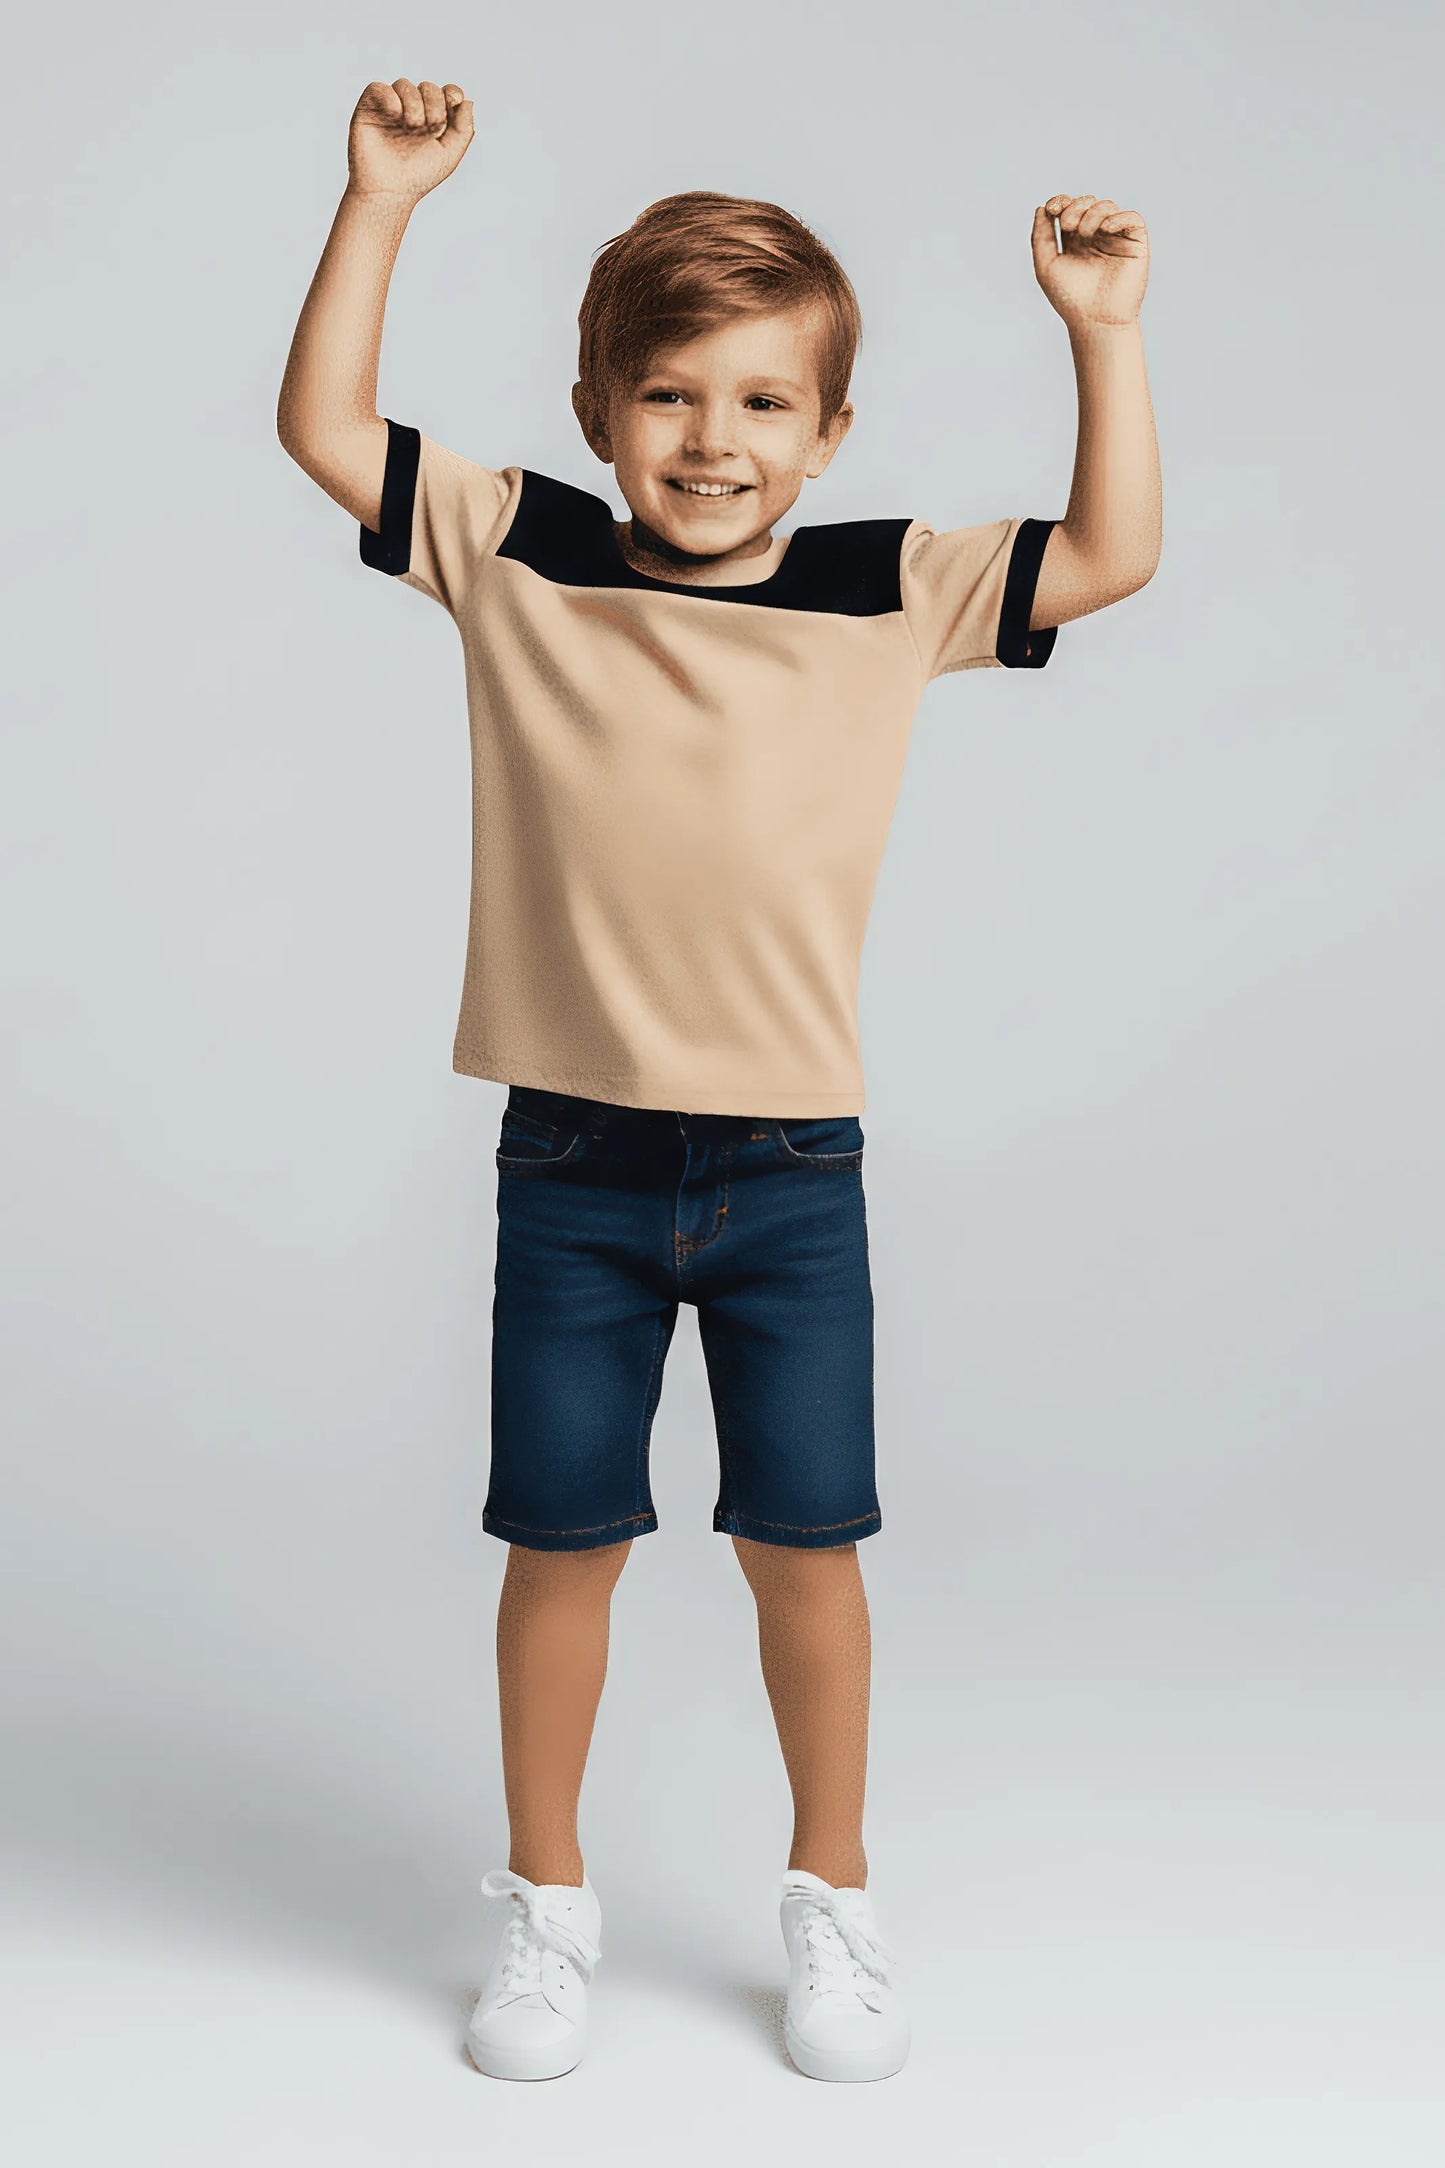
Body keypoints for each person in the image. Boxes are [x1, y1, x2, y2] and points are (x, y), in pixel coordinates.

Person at [276, 75, 1160, 2086]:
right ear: (604, 416)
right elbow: (326, 427)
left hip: (789, 1168)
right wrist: (379, 204)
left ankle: (833, 1905)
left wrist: (1102, 338)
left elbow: (1112, 551)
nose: (714, 440)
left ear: (830, 433)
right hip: (573, 1160)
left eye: (764, 403)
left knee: (807, 1541)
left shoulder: (888, 584)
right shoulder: (519, 546)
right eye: (671, 396)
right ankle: (544, 1907)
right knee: (560, 1536)